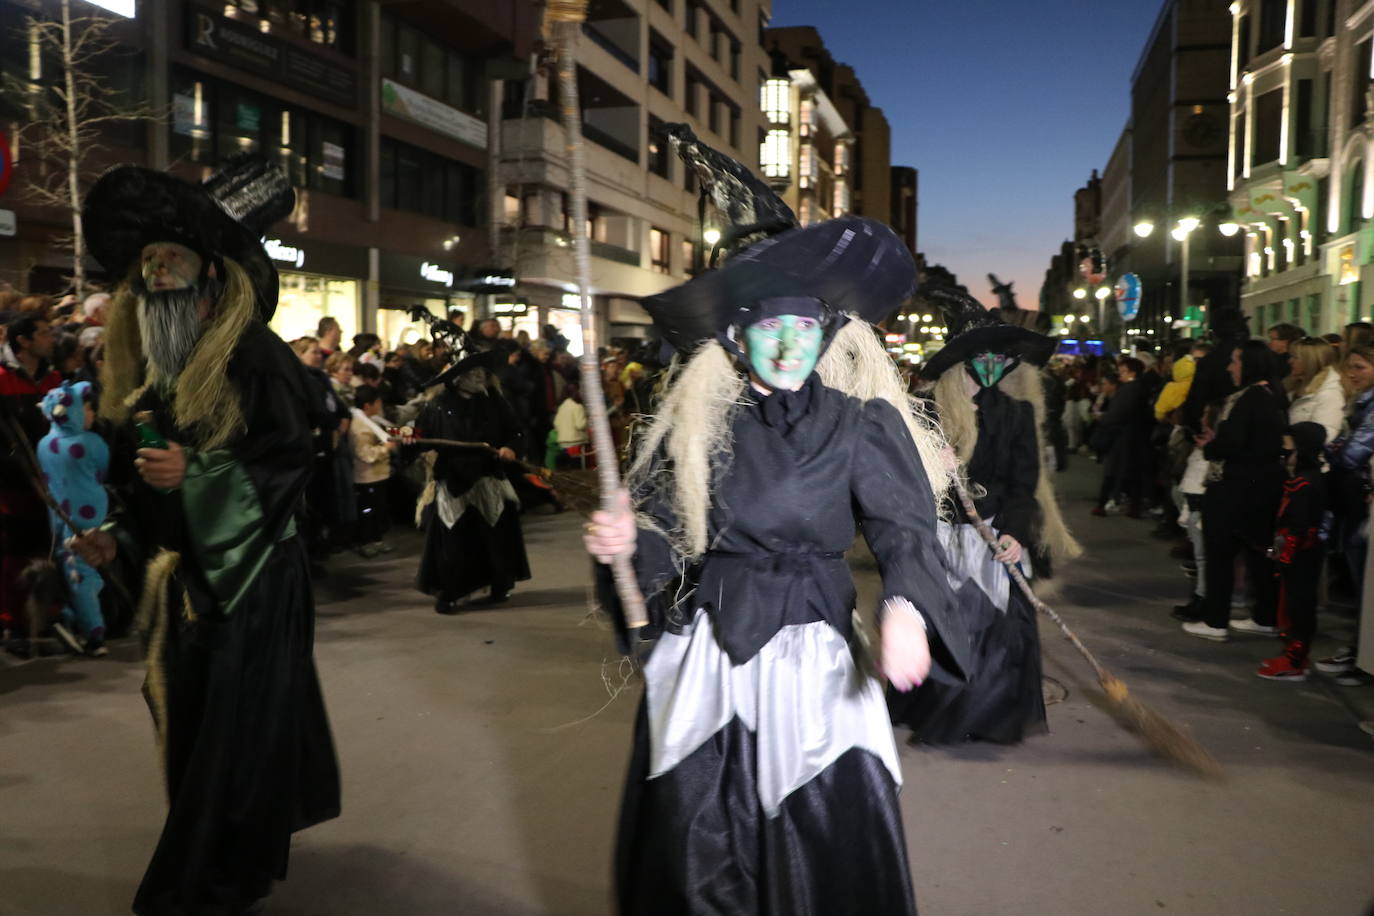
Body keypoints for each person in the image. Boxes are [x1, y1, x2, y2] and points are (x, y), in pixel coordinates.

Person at [585, 215, 970, 915]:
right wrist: (623, 544)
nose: (788, 344)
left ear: (824, 338)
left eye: (803, 329)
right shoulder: (701, 429)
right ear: (737, 338)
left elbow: (906, 532)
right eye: (768, 329)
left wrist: (905, 611)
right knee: (696, 829)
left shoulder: (862, 425)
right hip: (708, 649)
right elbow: (668, 536)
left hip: (813, 651)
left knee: (819, 826)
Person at [74, 153, 340, 913]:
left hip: (253, 585)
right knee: (196, 732)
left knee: (239, 736)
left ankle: (216, 878)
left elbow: (292, 465)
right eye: (147, 261)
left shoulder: (256, 358)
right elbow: (140, 489)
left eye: (173, 257)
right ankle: (228, 859)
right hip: (191, 587)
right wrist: (116, 538)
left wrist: (198, 474)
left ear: (213, 276)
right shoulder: (153, 378)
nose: (157, 272)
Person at [890, 286, 1079, 745]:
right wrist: (936, 466)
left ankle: (985, 716)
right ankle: (940, 710)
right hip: (938, 537)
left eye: (1004, 356)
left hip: (991, 536)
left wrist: (1014, 532)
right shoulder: (925, 412)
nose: (996, 363)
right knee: (942, 626)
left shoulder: (1015, 414)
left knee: (998, 632)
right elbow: (897, 481)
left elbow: (1023, 483)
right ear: (964, 358)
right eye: (986, 353)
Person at [407, 350, 529, 613]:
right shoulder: (437, 405)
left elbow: (516, 431)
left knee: (494, 537)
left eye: (482, 373)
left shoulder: (494, 401)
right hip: (452, 480)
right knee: (452, 540)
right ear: (456, 378)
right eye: (472, 373)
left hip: (488, 478)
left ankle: (499, 584)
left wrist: (510, 447)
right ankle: (450, 592)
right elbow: (419, 433)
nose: (479, 377)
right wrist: (408, 436)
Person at [1182, 341, 1288, 642]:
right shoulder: (1273, 395)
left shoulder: (1248, 397)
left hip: (1236, 486)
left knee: (1220, 553)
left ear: (1250, 364)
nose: (1231, 367)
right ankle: (1265, 617)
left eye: (1236, 360)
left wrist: (1211, 445)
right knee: (1259, 554)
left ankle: (1216, 621)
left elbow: (1230, 444)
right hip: (1264, 485)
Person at [0, 313, 61, 650]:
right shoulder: (2, 379)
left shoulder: (52, 379)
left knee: (47, 549)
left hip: (51, 482)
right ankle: (11, 621)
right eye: (43, 333)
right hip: (15, 484)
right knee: (15, 554)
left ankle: (44, 617)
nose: (51, 338)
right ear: (22, 341)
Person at [38, 380, 110, 657]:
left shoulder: (44, 444)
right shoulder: (92, 442)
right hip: (89, 521)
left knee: (74, 569)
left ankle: (73, 617)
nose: (91, 413)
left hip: (60, 520)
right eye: (88, 408)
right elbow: (102, 471)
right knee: (85, 574)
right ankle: (95, 632)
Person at [1316, 345, 1374, 682]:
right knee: (1358, 584)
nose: (1352, 374)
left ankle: (1363, 660)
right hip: (1354, 503)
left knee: (1364, 586)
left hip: (1361, 505)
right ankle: (1358, 652)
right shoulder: (1360, 402)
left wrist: (1329, 447)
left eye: (1360, 367)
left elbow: (1350, 454)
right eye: (1349, 368)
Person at [1256, 422, 1329, 681]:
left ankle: (1296, 660)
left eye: (1289, 448)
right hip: (1293, 552)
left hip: (1300, 554)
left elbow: (1298, 526)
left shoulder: (1307, 484)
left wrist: (1284, 554)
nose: (1285, 453)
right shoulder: (1303, 480)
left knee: (1299, 605)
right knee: (1290, 603)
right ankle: (1293, 653)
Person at [1091, 357, 1151, 517]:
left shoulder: (1130, 389)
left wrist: (1103, 418)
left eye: (1123, 371)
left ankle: (1103, 504)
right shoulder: (1139, 388)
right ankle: (1132, 506)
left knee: (1113, 471)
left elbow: (1118, 413)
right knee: (1131, 472)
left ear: (1132, 372)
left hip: (1123, 437)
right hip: (1134, 436)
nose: (1120, 375)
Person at [350, 384, 396, 558]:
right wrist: (386, 448)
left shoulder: (371, 420)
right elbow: (366, 454)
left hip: (377, 474)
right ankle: (366, 542)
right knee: (368, 511)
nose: (380, 406)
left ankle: (377, 540)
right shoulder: (360, 426)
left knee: (378, 510)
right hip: (367, 476)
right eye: (377, 402)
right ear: (368, 405)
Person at [1286, 336, 1344, 442]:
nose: (1290, 361)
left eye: (1295, 357)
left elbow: (1325, 435)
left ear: (1311, 361)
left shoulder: (1329, 394)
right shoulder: (1293, 385)